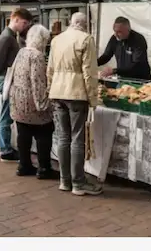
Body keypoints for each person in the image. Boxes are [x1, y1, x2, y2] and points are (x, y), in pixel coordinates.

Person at [47, 12, 102, 196]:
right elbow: (89, 73)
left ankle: (65, 180)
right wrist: (93, 98)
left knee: (63, 137)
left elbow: (50, 69)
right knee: (77, 138)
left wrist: (51, 89)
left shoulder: (57, 40)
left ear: (71, 22)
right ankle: (78, 183)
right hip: (76, 93)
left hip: (58, 92)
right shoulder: (86, 39)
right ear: (85, 24)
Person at [10, 23, 56, 179]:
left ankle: (24, 165)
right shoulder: (37, 56)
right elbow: (38, 82)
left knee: (23, 134)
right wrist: (43, 104)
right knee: (44, 133)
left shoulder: (22, 51)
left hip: (19, 101)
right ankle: (44, 168)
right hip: (32, 103)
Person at [0, 7, 33, 162]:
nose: (25, 26)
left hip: (7, 77)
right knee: (6, 114)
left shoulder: (10, 36)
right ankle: (5, 150)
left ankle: (6, 147)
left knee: (7, 113)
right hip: (7, 78)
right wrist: (3, 75)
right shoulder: (7, 37)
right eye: (24, 23)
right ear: (15, 19)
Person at [97, 17, 151, 81]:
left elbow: (137, 65)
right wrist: (92, 63)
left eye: (119, 32)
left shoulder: (138, 40)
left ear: (128, 29)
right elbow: (106, 56)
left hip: (139, 79)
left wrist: (114, 71)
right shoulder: (114, 38)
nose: (116, 35)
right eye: (114, 31)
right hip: (123, 78)